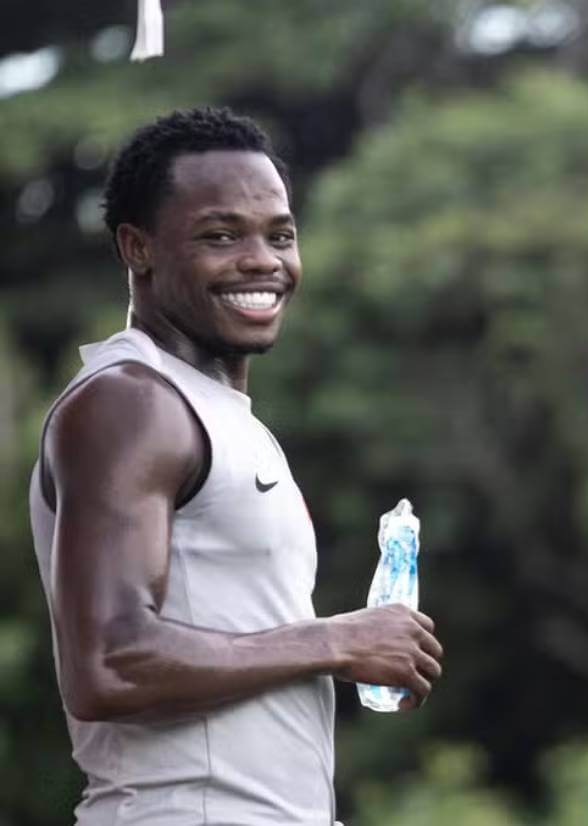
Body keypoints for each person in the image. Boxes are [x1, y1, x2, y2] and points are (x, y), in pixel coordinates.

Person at [28, 107, 443, 825]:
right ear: (138, 248)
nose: (262, 261)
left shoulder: (211, 411)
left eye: (280, 235)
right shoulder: (130, 405)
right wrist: (338, 640)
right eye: (221, 236)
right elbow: (108, 663)